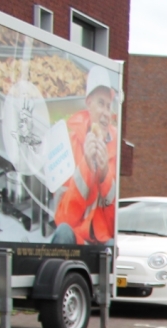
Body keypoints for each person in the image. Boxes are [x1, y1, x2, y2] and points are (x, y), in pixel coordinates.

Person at [52, 66, 116, 244]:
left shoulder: (116, 148)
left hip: (102, 242)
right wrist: (86, 166)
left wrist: (105, 176)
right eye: (100, 103)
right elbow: (63, 219)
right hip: (77, 237)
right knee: (63, 232)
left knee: (114, 245)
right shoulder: (70, 142)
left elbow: (113, 226)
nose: (105, 112)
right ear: (88, 103)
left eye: (109, 106)